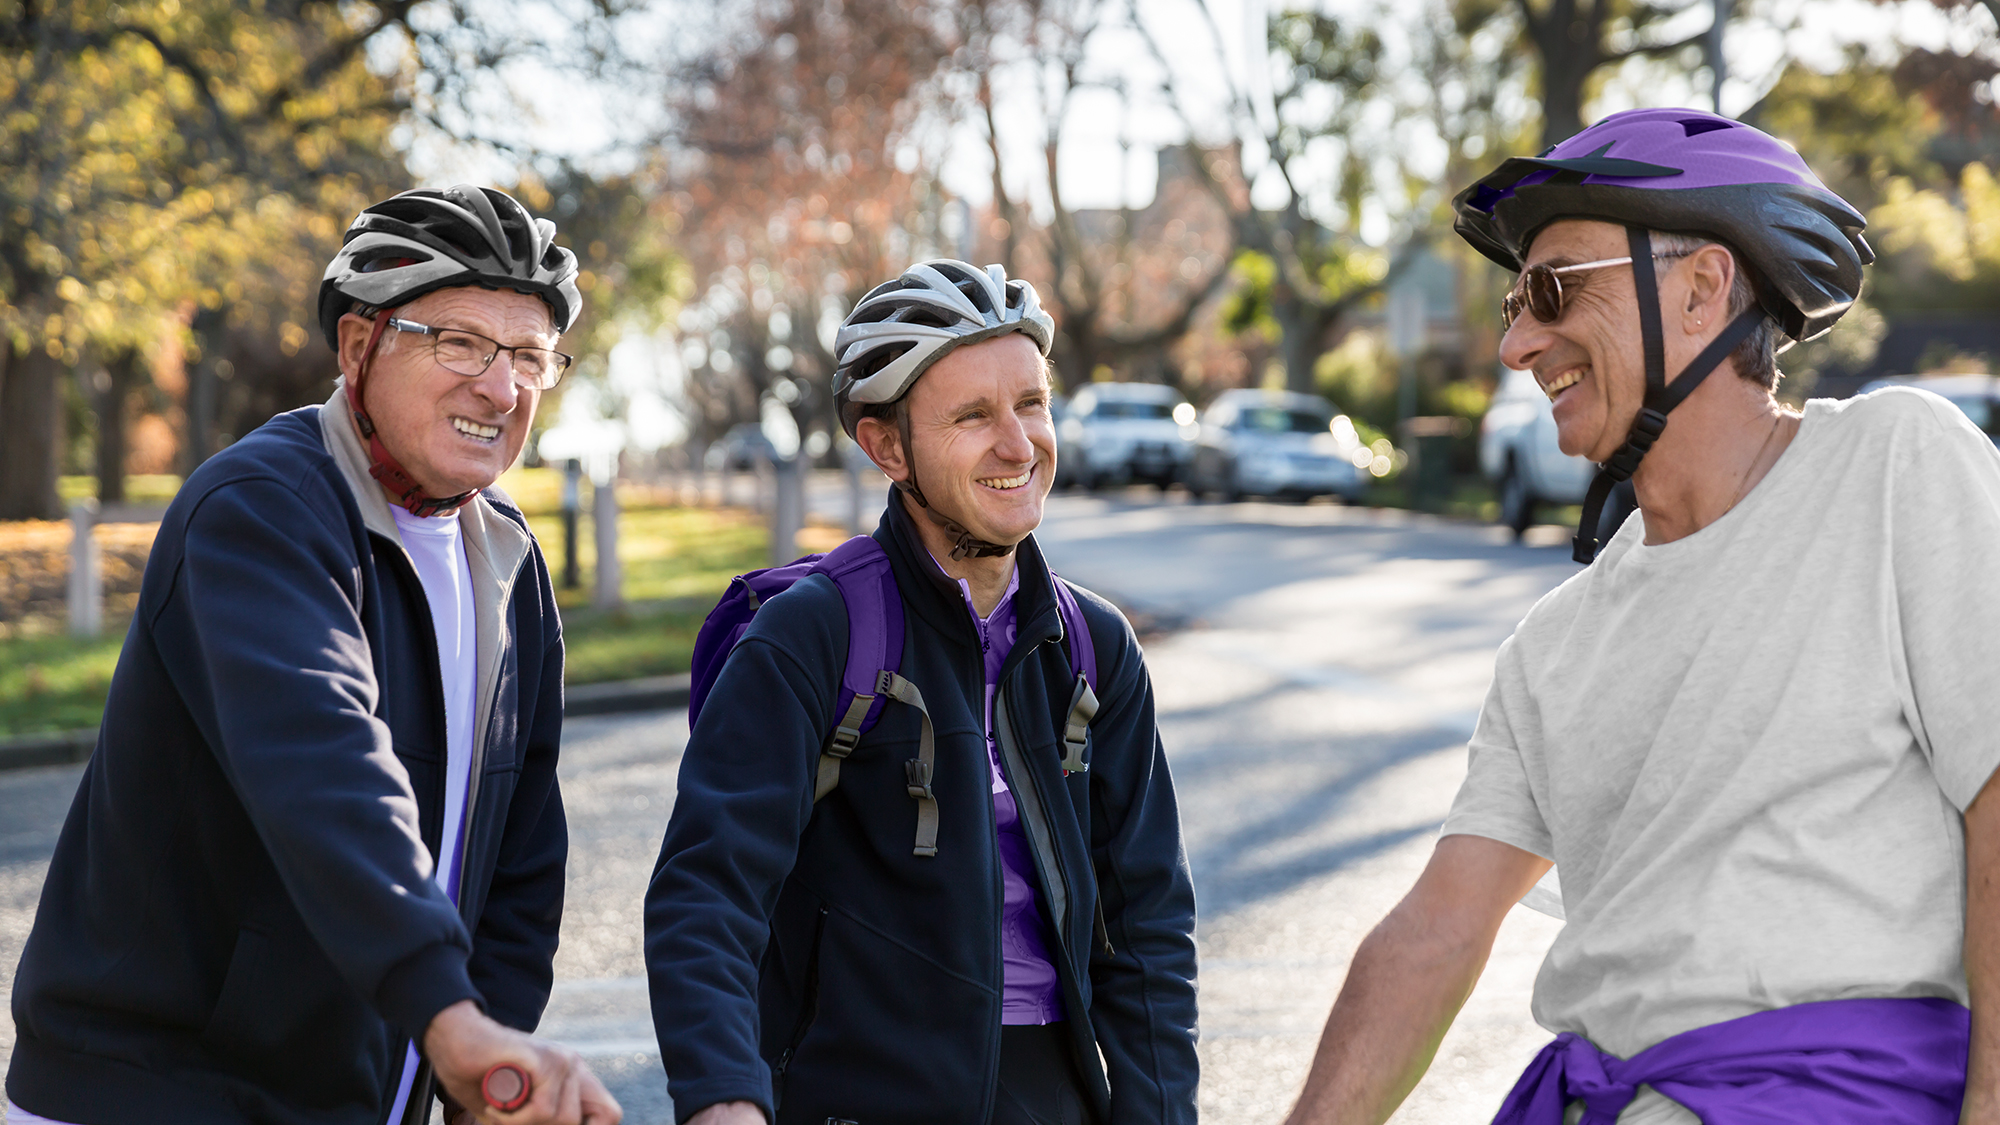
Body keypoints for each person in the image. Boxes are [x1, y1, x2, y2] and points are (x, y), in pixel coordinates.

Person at [1281, 107, 2000, 1124]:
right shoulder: (1551, 645)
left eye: (1551, 290)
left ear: (1702, 289)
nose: (1518, 343)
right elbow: (1434, 932)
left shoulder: (1891, 464)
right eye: (1510, 303)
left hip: (1832, 1093)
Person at [5, 185, 621, 1125]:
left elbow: (522, 852)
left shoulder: (507, 557)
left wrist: (483, 1070)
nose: (501, 388)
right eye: (459, 342)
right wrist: (448, 1019)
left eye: (531, 357)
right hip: (150, 1093)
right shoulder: (260, 509)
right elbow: (322, 767)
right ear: (358, 346)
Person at [644, 260, 1198, 1124]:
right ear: (887, 446)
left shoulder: (1094, 648)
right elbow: (709, 891)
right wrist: (722, 1096)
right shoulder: (813, 635)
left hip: (1054, 1095)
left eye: (1031, 403)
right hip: (854, 1097)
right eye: (973, 415)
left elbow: (1148, 920)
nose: (1019, 444)